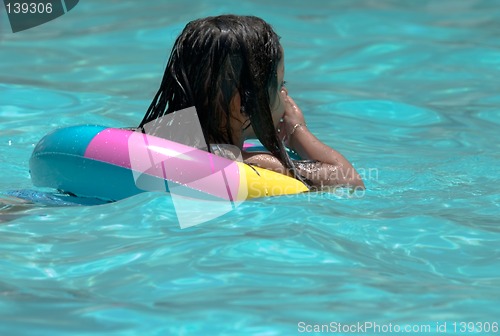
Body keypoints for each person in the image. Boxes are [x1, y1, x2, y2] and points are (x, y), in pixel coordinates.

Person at [138, 15, 364, 190]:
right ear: (244, 104)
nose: (285, 95)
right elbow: (348, 180)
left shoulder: (158, 141)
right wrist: (297, 132)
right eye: (280, 85)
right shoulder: (249, 162)